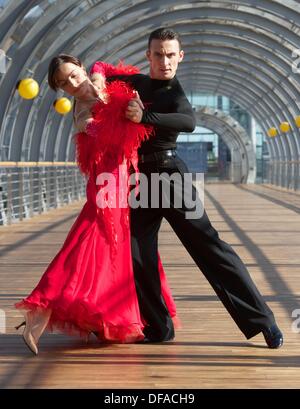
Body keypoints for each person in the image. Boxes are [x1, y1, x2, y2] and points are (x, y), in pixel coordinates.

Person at [91, 27, 283, 348]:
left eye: (170, 55)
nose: (165, 61)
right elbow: (99, 68)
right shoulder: (136, 82)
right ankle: (159, 328)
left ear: (180, 57)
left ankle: (264, 322)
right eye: (158, 54)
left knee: (210, 248)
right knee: (138, 255)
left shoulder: (174, 92)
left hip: (172, 177)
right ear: (148, 55)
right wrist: (98, 79)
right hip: (139, 180)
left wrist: (145, 116)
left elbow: (188, 121)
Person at [14, 54, 179, 355]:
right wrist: (131, 111)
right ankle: (42, 311)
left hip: (126, 183)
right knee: (88, 245)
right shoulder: (82, 115)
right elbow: (115, 138)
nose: (73, 84)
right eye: (64, 84)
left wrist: (100, 76)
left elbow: (102, 66)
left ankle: (108, 318)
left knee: (118, 252)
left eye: (73, 75)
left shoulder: (103, 79)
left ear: (80, 67)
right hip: (108, 185)